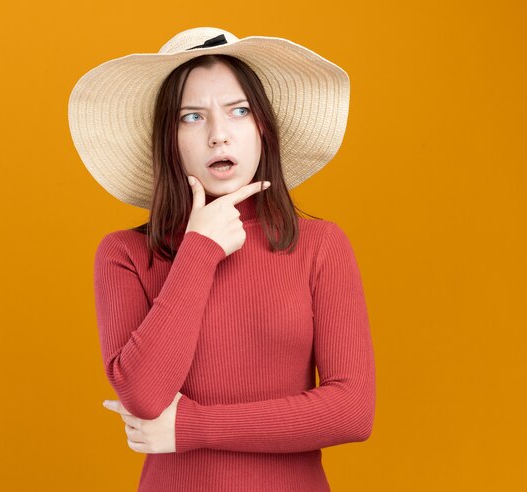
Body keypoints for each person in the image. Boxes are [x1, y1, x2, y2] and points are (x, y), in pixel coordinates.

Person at [68, 27, 376, 492]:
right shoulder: (126, 254)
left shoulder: (320, 245)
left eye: (239, 111)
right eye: (192, 116)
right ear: (168, 139)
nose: (218, 135)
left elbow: (352, 411)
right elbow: (145, 397)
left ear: (263, 127)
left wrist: (193, 426)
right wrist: (199, 250)